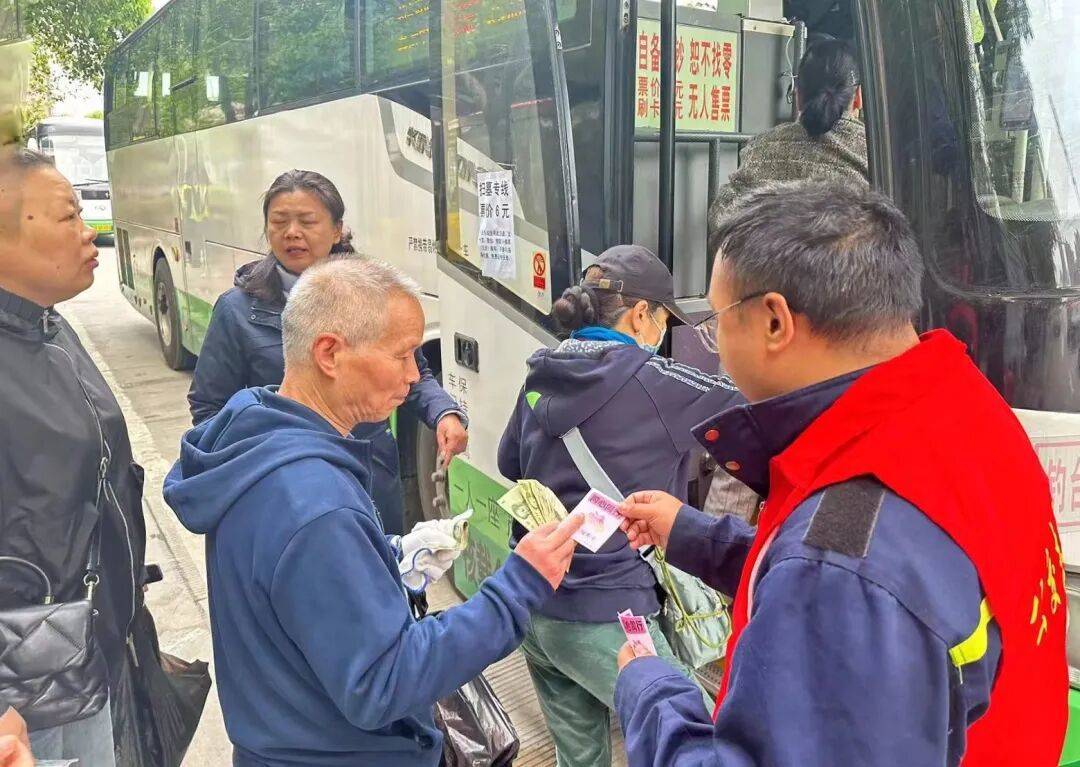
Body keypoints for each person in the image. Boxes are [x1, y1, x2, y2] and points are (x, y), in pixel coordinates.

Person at [614, 181, 1067, 766]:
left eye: (716, 320)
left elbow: (840, 575)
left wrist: (651, 690)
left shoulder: (838, 563)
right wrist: (693, 535)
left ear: (774, 321)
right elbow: (891, 575)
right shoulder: (963, 405)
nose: (715, 343)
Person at [164, 257, 585, 766]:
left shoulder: (258, 439)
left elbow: (298, 593)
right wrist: (518, 586)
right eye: (402, 354)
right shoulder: (315, 505)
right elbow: (384, 682)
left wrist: (388, 558)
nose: (412, 376)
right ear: (329, 353)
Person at [497, 244, 744, 767]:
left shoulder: (540, 372)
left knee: (579, 755)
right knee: (701, 743)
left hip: (534, 607)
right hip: (610, 616)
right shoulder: (656, 381)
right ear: (640, 313)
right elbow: (752, 400)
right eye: (664, 320)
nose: (662, 332)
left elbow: (508, 461)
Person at [187, 169, 467, 535]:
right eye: (279, 222)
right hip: (289, 491)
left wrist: (443, 412)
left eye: (307, 222)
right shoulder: (236, 311)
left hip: (370, 474)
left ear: (337, 230)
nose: (291, 233)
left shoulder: (374, 297)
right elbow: (209, 407)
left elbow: (412, 370)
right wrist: (259, 470)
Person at [0, 148, 150, 765]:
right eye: (67, 216)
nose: (89, 232)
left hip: (86, 647)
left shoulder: (49, 328)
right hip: (21, 693)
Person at [706, 39, 868, 228]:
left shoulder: (762, 147)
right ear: (858, 98)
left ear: (798, 97)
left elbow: (721, 216)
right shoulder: (876, 154)